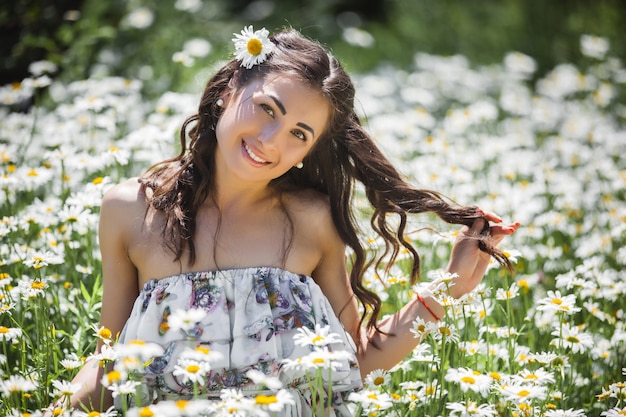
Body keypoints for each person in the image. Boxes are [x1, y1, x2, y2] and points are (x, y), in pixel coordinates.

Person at [61, 26, 519, 416]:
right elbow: (111, 362)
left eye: (298, 134)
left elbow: (354, 358)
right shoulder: (129, 211)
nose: (269, 141)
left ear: (308, 151)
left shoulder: (310, 220)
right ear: (227, 91)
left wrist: (450, 286)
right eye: (267, 109)